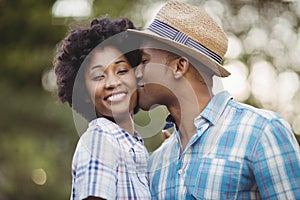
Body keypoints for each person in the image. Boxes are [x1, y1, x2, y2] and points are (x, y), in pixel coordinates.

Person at [128, 1, 300, 199]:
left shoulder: (263, 131)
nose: (136, 73)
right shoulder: (157, 161)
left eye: (144, 61)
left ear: (179, 66)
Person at [54, 17, 151, 200]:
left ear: (137, 77)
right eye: (98, 76)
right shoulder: (100, 138)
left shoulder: (135, 146)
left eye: (122, 71)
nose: (113, 83)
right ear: (83, 92)